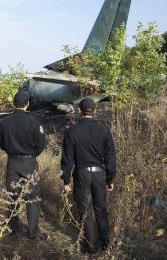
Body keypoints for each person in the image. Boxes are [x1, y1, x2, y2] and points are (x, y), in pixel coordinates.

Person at [61, 98, 116, 253]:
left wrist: (66, 180)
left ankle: (90, 246)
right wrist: (110, 179)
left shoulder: (71, 132)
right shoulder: (104, 131)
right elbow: (110, 157)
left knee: (85, 210)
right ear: (95, 110)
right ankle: (105, 244)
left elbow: (67, 159)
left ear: (80, 111)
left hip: (81, 174)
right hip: (99, 174)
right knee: (100, 209)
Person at [0, 91, 47, 240]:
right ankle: (32, 232)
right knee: (31, 198)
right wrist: (31, 156)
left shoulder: (4, 123)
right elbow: (41, 145)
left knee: (13, 197)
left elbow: (2, 144)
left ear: (14, 104)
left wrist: (13, 153)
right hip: (29, 162)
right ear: (28, 104)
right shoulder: (34, 122)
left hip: (12, 162)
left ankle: (15, 231)